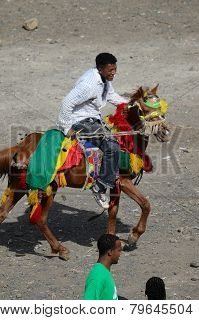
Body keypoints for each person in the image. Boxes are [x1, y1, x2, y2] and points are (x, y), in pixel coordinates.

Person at [56, 52, 128, 209]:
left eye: (115, 69)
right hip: (80, 121)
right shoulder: (89, 84)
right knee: (112, 145)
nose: (114, 73)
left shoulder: (104, 80)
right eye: (111, 70)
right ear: (101, 69)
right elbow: (67, 102)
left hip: (94, 119)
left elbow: (113, 96)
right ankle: (101, 186)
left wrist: (132, 105)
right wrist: (67, 127)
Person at [83, 234, 122, 300]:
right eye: (119, 250)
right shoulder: (97, 277)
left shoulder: (104, 271)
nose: (120, 254)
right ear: (110, 252)